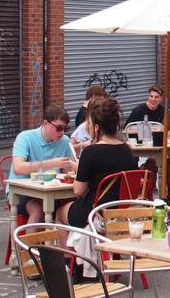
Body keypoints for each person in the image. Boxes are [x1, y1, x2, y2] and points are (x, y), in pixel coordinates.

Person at [56, 98, 137, 228]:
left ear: (96, 127)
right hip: (121, 210)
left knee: (59, 214)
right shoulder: (127, 150)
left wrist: (79, 170)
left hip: (95, 211)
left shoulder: (91, 152)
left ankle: (72, 242)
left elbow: (78, 190)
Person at [9, 105, 76, 224]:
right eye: (59, 128)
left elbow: (66, 172)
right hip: (22, 192)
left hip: (52, 192)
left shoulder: (65, 141)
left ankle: (61, 236)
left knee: (75, 205)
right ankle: (29, 238)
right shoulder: (25, 137)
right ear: (45, 124)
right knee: (38, 210)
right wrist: (50, 164)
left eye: (65, 128)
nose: (62, 132)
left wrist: (72, 170)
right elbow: (18, 168)